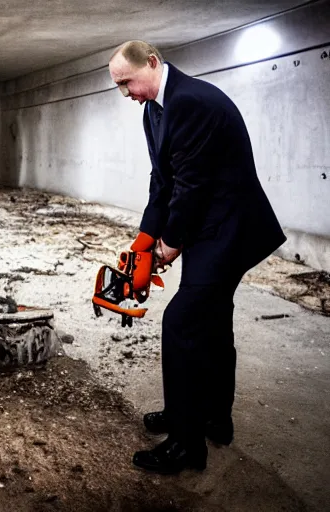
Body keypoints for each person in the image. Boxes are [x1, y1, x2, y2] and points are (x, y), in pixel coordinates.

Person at [108, 41, 286, 474]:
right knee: (210, 319)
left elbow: (192, 185)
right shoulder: (154, 109)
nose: (125, 93)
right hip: (209, 227)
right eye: (118, 87)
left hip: (230, 228)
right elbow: (162, 181)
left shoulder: (191, 101)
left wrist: (169, 243)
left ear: (152, 63)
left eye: (127, 82)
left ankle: (187, 446)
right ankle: (210, 416)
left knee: (182, 323)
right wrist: (143, 239)